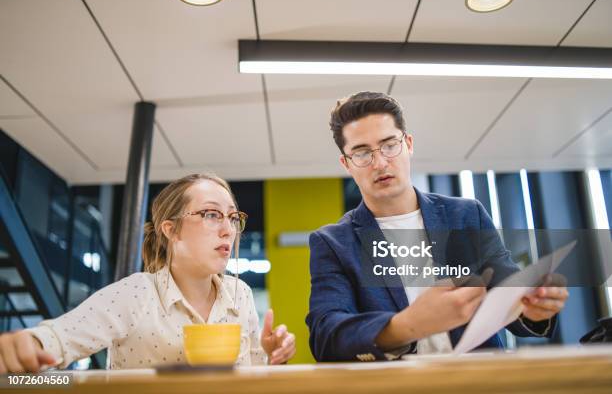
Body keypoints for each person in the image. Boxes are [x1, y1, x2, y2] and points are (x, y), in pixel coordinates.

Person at [306, 92, 569, 361]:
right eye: (362, 153)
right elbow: (326, 334)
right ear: (346, 164)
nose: (380, 162)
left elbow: (506, 290)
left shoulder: (466, 215)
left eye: (389, 145)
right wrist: (407, 325)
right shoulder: (333, 243)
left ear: (408, 144)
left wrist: (532, 306)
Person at [0, 173, 296, 372]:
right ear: (172, 230)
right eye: (211, 214)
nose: (228, 229)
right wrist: (31, 344)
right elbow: (64, 336)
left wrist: (270, 355)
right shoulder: (139, 293)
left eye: (232, 217)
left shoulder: (239, 294)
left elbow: (253, 373)